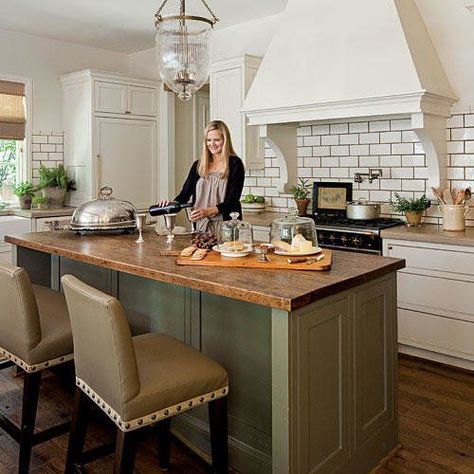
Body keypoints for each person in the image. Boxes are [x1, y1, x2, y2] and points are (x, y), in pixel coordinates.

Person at [159, 120, 245, 233]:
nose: (212, 144)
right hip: (201, 224)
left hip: (227, 226)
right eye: (209, 140)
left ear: (225, 140)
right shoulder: (199, 165)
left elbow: (233, 200)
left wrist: (207, 212)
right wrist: (172, 204)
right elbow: (184, 194)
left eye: (217, 140)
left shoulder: (234, 163)